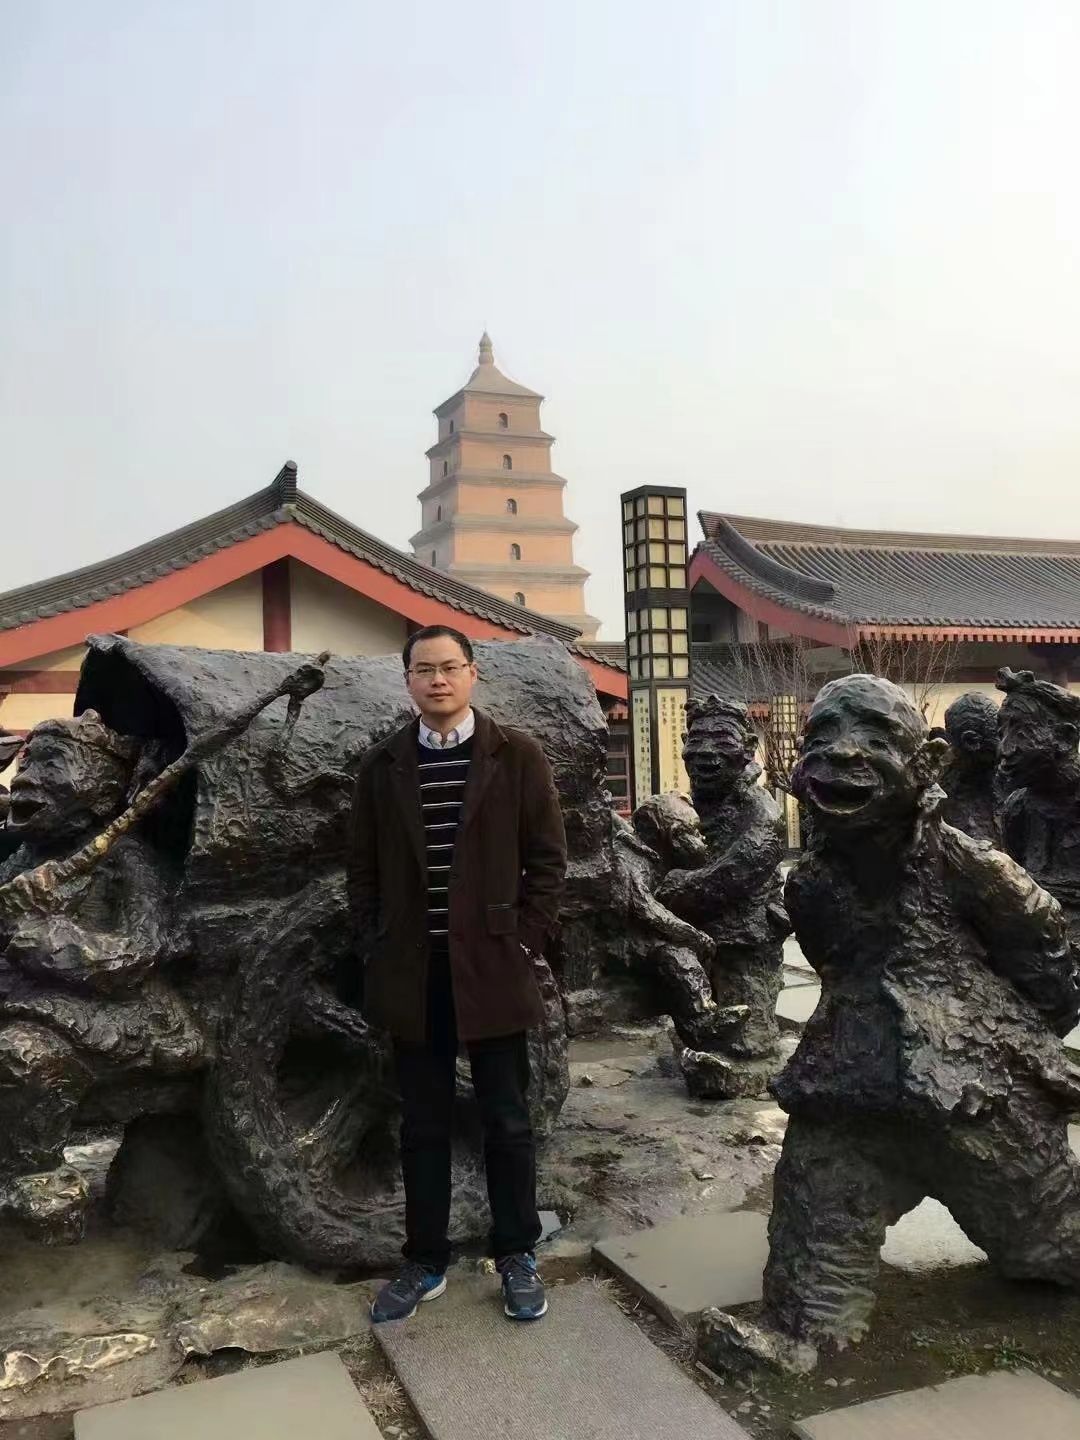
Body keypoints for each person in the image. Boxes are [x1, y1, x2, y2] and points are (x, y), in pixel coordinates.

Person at [346, 625, 567, 1324]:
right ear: (408, 680)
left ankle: (516, 1253)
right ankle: (425, 1259)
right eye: (424, 670)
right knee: (422, 1123)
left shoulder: (516, 756)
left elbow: (548, 860)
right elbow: (363, 869)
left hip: (493, 964)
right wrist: (375, 940)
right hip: (414, 969)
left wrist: (525, 938)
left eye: (449, 667)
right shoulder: (383, 765)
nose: (437, 680)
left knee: (507, 1118)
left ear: (472, 674)